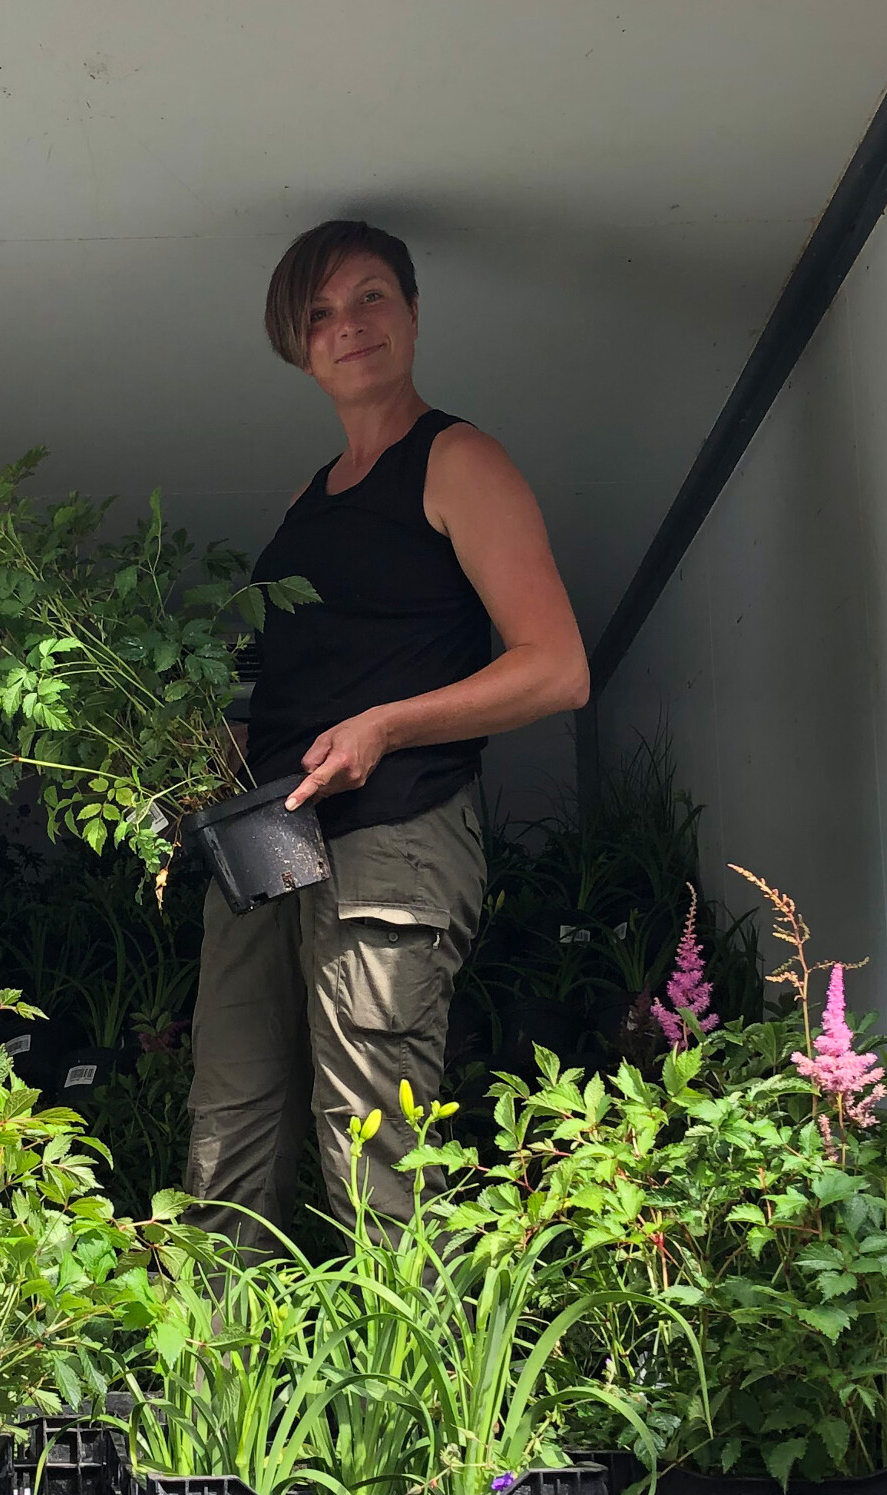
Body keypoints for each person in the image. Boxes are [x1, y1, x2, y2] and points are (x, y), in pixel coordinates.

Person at [182, 219, 590, 1259]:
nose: (349, 326)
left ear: (411, 311)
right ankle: (224, 1360)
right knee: (231, 1123)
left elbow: (556, 666)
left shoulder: (457, 460)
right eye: (320, 313)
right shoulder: (303, 503)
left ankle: (416, 1365)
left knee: (373, 1138)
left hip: (393, 830)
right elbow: (288, 686)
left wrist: (384, 728)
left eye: (371, 296)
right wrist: (204, 751)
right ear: (297, 346)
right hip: (268, 837)